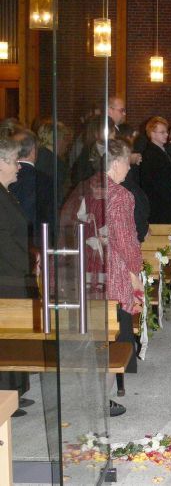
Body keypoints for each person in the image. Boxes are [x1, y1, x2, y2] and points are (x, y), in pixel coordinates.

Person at [61, 139, 142, 415]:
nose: (129, 170)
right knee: (115, 339)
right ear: (116, 163)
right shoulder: (120, 196)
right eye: (127, 163)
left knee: (94, 337)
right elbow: (126, 240)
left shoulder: (84, 188)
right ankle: (100, 401)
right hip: (113, 275)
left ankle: (91, 395)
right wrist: (136, 271)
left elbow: (67, 225)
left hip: (85, 271)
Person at [0, 136, 36, 417]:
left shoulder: (5, 193)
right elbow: (4, 242)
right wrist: (26, 263)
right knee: (7, 335)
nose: (18, 167)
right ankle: (4, 396)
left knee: (16, 335)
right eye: (13, 161)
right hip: (7, 276)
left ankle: (14, 392)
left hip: (17, 273)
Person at [9, 129, 54, 248]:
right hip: (37, 242)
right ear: (33, 151)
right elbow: (51, 216)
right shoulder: (45, 180)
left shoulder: (5, 176)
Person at [140, 116, 171, 224]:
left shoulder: (164, 150)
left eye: (166, 131)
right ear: (152, 134)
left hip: (168, 203)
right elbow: (159, 184)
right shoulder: (150, 154)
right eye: (162, 132)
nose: (167, 134)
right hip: (160, 207)